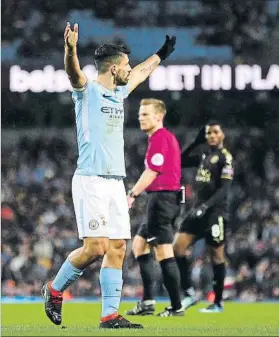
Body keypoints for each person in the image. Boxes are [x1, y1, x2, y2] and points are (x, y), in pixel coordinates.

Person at [41, 22, 176, 329]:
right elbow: (73, 73)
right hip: (91, 180)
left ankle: (110, 316)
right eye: (125, 65)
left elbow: (142, 71)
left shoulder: (119, 92)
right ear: (114, 69)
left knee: (117, 247)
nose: (130, 69)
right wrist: (70, 48)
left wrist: (161, 54)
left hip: (116, 181)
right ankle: (53, 290)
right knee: (96, 247)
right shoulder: (87, 91)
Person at [126, 99, 184, 317]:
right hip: (162, 199)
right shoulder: (162, 138)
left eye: (146, 114)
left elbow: (152, 172)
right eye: (140, 114)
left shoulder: (160, 138)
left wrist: (132, 194)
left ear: (159, 117)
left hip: (162, 200)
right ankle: (148, 302)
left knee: (163, 251)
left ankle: (176, 306)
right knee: (139, 246)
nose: (140, 118)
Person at [173, 122, 234, 313]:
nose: (212, 136)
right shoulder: (203, 155)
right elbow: (180, 160)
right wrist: (195, 141)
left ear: (222, 134)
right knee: (177, 247)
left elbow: (225, 189)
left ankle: (217, 303)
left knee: (216, 256)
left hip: (214, 214)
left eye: (216, 132)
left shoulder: (226, 158)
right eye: (208, 133)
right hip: (196, 212)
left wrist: (206, 206)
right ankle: (190, 293)